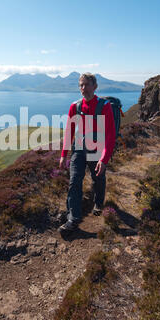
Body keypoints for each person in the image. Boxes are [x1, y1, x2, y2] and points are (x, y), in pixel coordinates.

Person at [58, 72, 116, 232]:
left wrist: (103, 160)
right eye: (81, 85)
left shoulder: (104, 106)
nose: (83, 88)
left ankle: (98, 202)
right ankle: (73, 217)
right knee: (74, 181)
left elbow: (110, 135)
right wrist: (63, 155)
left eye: (86, 84)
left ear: (95, 86)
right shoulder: (75, 106)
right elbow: (69, 132)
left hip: (97, 148)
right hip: (78, 149)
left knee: (98, 178)